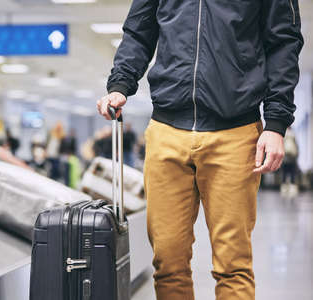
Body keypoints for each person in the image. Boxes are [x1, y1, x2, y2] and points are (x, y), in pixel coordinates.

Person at [97, 0, 303, 298]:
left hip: (235, 131)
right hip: (167, 129)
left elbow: (283, 42)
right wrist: (120, 84)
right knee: (167, 262)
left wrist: (276, 123)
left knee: (233, 265)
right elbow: (139, 32)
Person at [281, 127, 299, 197]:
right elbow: (297, 147)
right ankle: (292, 190)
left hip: (285, 158)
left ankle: (284, 190)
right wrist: (297, 155)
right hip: (292, 158)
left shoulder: (283, 134)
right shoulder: (293, 134)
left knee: (284, 174)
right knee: (292, 173)